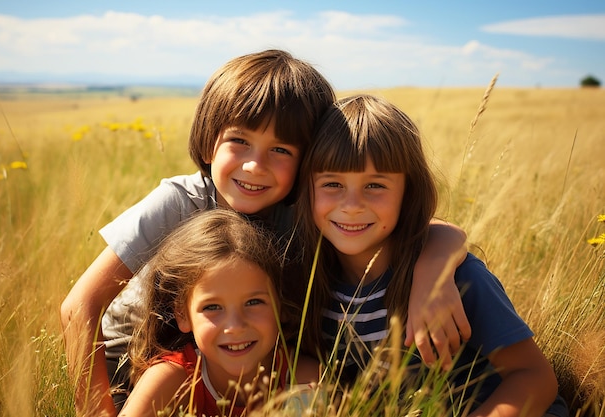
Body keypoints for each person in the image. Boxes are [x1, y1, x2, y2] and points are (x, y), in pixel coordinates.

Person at [60, 50, 469, 417]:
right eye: (239, 141)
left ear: (308, 162)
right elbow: (80, 305)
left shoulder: (304, 209)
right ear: (208, 145)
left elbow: (425, 228)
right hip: (129, 370)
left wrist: (434, 266)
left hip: (241, 366)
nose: (255, 166)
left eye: (281, 150)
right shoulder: (180, 201)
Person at [296, 94, 567, 416]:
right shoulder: (310, 280)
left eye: (375, 186)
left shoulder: (460, 278)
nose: (352, 205)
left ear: (408, 193)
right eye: (332, 184)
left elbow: (534, 377)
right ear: (306, 189)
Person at [119, 209, 319, 417]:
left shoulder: (303, 380)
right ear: (183, 315)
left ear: (281, 306)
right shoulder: (170, 380)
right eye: (212, 307)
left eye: (253, 302)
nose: (235, 326)